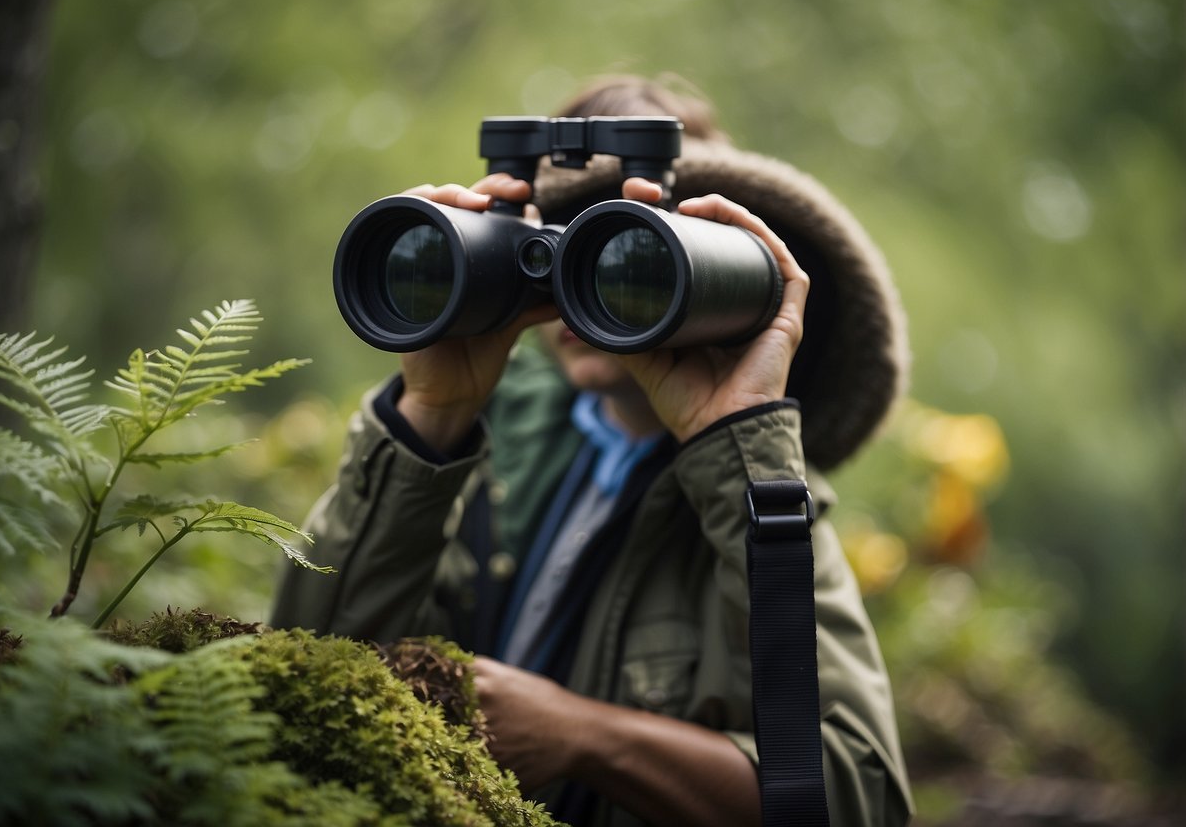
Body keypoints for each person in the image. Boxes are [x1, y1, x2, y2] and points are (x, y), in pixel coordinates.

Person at [273, 75, 914, 827]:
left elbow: (853, 802)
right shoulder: (485, 469)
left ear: (715, 270)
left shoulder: (758, 507)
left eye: (625, 245)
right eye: (555, 240)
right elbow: (299, 687)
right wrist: (431, 416)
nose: (581, 275)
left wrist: (585, 740)